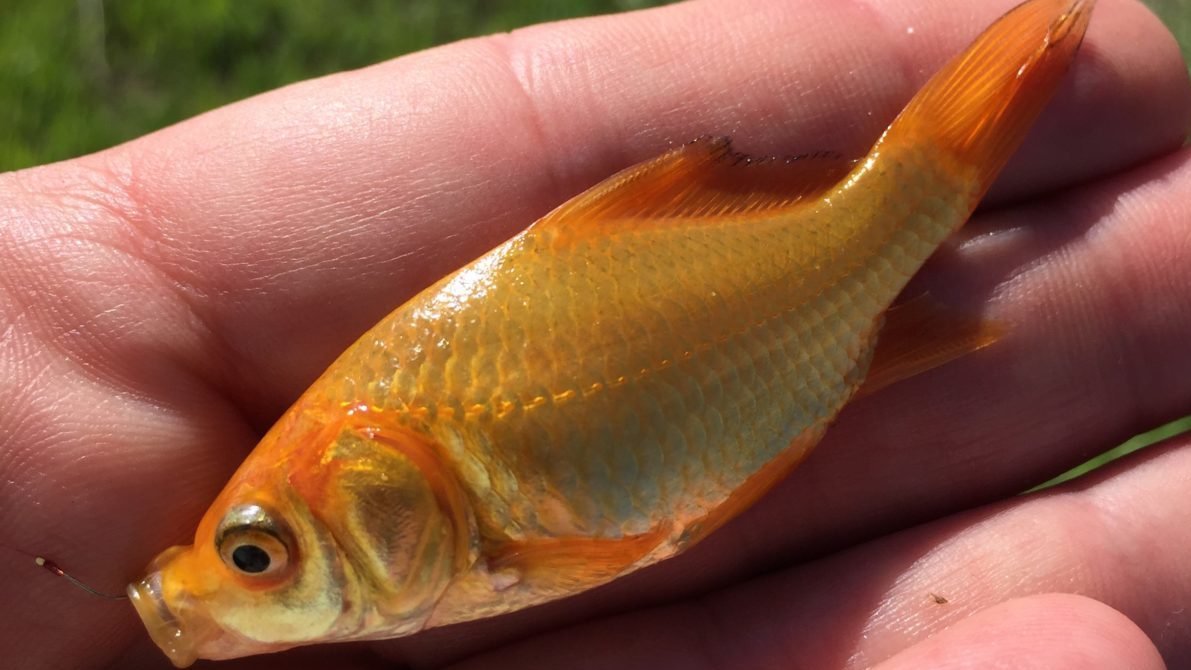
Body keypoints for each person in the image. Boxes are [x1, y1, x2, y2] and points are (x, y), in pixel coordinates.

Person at [2, 0, 1189, 667]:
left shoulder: (468, 510)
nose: (219, 592)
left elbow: (619, 543)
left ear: (386, 502)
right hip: (783, 356)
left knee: (901, 212)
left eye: (264, 556)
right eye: (254, 562)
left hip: (772, 300)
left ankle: (963, 130)